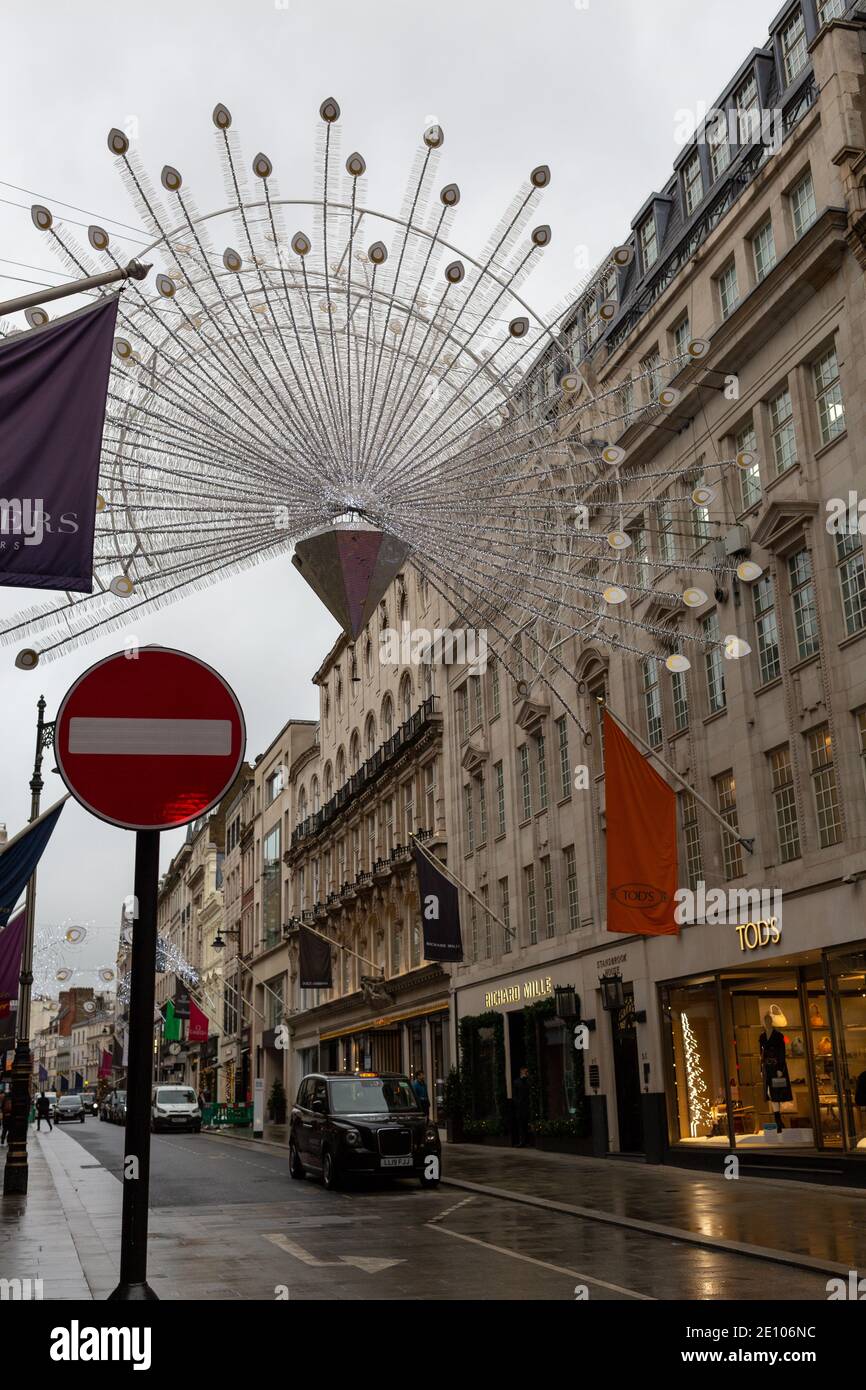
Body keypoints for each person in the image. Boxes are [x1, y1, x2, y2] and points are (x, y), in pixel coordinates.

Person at [513, 1066, 531, 1147]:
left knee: (527, 1124)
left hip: (527, 1106)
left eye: (527, 1072)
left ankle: (527, 1141)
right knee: (521, 1124)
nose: (527, 1073)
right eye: (525, 1072)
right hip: (520, 1107)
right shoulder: (516, 1082)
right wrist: (518, 1103)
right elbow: (515, 1095)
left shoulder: (528, 1081)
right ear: (522, 1072)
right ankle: (522, 1141)